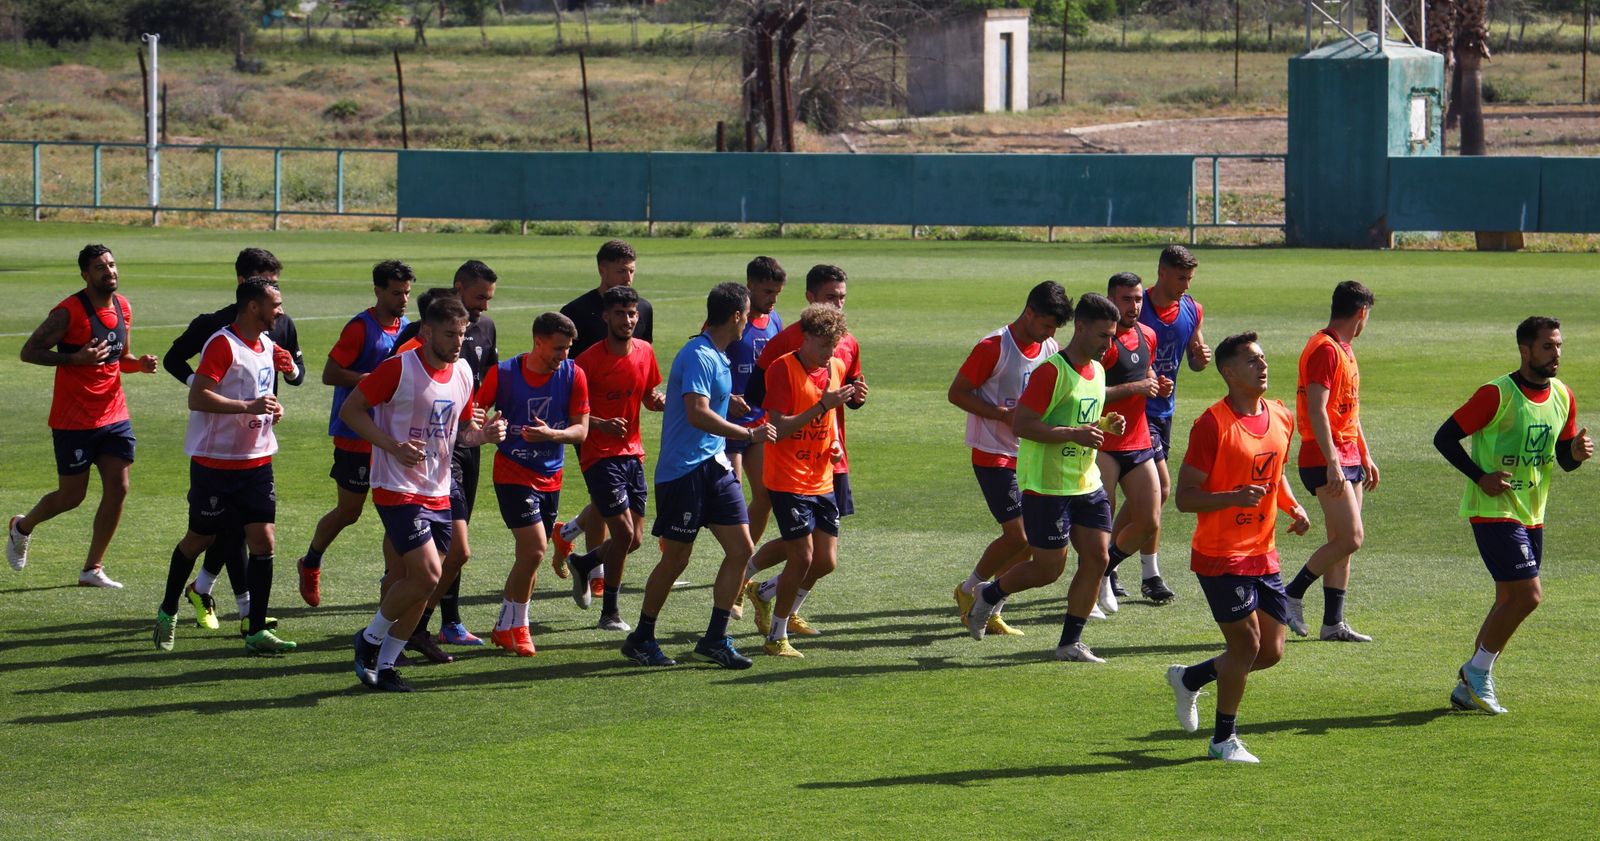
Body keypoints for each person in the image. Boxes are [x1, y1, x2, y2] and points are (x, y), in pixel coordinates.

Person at [1165, 332, 1312, 764]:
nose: (1263, 365)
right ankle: (1223, 740)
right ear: (1229, 373)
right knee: (1246, 646)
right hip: (1219, 554)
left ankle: (1190, 678)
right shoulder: (1211, 424)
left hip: (1262, 552)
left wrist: (1293, 506)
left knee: (1269, 652)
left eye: (1263, 357)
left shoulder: (1281, 416)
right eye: (1251, 361)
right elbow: (1185, 497)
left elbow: (1276, 473)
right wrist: (1231, 497)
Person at [346, 296, 505, 692]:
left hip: (438, 488)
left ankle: (384, 666)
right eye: (450, 334)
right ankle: (368, 639)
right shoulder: (399, 368)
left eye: (462, 334)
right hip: (396, 487)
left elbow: (463, 431)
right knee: (428, 572)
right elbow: (351, 410)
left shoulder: (465, 372)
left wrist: (483, 436)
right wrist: (391, 445)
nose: (457, 342)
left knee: (426, 583)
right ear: (427, 332)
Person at [1433, 316, 1591, 715]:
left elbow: (1561, 457)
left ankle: (1468, 688)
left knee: (1508, 598)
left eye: (1558, 346)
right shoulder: (1496, 394)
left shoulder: (1563, 396)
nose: (1556, 354)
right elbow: (1444, 437)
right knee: (1528, 595)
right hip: (1493, 509)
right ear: (1525, 350)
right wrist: (1479, 476)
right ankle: (1478, 671)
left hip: (1533, 513)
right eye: (1547, 347)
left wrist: (1574, 456)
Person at [619, 283, 776, 670]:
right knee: (676, 560)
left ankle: (715, 639)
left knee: (741, 549)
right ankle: (642, 636)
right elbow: (696, 413)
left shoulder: (717, 356)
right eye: (747, 314)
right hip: (684, 471)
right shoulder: (699, 354)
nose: (750, 321)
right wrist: (747, 434)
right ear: (737, 316)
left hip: (715, 466)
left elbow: (710, 406)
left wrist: (731, 405)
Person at [965, 294, 1125, 663]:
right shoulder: (1051, 371)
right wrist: (1074, 434)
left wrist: (1106, 425)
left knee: (1098, 559)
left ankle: (1070, 642)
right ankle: (988, 595)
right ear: (1080, 328)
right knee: (1048, 569)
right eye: (1103, 336)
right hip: (1047, 486)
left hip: (1087, 482)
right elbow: (1023, 424)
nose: (1108, 344)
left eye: (1113, 336)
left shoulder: (1098, 372)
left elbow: (1084, 422)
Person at [153, 278, 297, 655]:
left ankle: (255, 629)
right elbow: (198, 397)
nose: (280, 310)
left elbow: (261, 395)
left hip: (257, 460)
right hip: (215, 463)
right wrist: (247, 408)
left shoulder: (267, 344)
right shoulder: (221, 344)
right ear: (253, 306)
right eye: (275, 303)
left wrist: (272, 409)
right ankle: (168, 610)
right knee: (199, 538)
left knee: (264, 540)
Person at [9, 244, 158, 588]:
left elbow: (119, 358)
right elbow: (28, 352)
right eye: (100, 267)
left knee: (119, 488)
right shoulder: (68, 312)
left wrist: (139, 365)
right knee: (71, 497)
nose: (110, 271)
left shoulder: (123, 307)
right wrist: (76, 359)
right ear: (85, 275)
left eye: (112, 264)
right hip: (73, 420)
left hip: (114, 414)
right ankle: (22, 527)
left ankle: (92, 568)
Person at [738, 265, 867, 636]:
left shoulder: (844, 348)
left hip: (827, 460)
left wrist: (854, 401)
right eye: (831, 297)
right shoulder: (785, 350)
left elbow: (847, 389)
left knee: (823, 559)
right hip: (789, 465)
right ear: (810, 298)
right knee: (802, 550)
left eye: (842, 297)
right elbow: (760, 397)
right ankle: (766, 606)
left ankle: (767, 593)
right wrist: (815, 407)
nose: (838, 304)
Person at [948, 281, 1070, 637]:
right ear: (1029, 312)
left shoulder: (1049, 346)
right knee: (1018, 536)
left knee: (1031, 542)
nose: (1050, 333)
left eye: (1055, 328)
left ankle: (992, 606)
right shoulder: (993, 348)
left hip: (1029, 455)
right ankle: (969, 590)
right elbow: (957, 393)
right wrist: (999, 413)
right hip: (993, 453)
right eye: (1047, 324)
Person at [390, 261, 499, 650]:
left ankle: (423, 626)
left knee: (446, 552)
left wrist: (481, 427)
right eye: (478, 297)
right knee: (424, 560)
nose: (484, 306)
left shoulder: (483, 329)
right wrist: (393, 445)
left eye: (489, 298)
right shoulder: (411, 344)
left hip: (459, 449)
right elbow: (379, 400)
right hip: (414, 467)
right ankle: (390, 634)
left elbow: (481, 383)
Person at [296, 260, 413, 606]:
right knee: (350, 511)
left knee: (396, 511)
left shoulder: (406, 328)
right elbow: (330, 373)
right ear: (378, 291)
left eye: (407, 292)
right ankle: (311, 561)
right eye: (396, 292)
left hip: (391, 438)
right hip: (355, 435)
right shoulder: (360, 328)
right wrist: (370, 382)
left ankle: (393, 579)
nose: (404, 299)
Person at [474, 312, 589, 656]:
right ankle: (520, 628)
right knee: (537, 548)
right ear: (537, 341)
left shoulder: (573, 374)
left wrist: (551, 434)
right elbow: (474, 412)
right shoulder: (504, 374)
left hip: (551, 474)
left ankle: (504, 627)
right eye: (557, 348)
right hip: (513, 471)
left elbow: (581, 429)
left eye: (567, 349)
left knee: (529, 557)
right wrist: (485, 428)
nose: (563, 356)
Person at [552, 239, 655, 592]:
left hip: (627, 434)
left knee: (609, 498)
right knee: (605, 495)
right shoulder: (576, 312)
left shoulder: (643, 309)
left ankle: (569, 535)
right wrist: (590, 421)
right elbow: (565, 377)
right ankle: (596, 574)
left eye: (631, 270)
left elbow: (643, 364)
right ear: (602, 270)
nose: (626, 276)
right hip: (589, 425)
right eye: (620, 271)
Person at [564, 286, 665, 631]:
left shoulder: (646, 352)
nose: (628, 320)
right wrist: (601, 424)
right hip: (599, 455)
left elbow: (648, 395)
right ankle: (610, 612)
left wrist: (657, 401)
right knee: (622, 534)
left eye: (633, 313)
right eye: (620, 313)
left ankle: (585, 562)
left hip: (633, 453)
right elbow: (570, 412)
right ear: (606, 316)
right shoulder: (586, 362)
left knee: (634, 539)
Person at [1284, 281, 1378, 642]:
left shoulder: (1345, 349)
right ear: (1361, 313)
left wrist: (1365, 453)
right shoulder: (1324, 349)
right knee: (1352, 538)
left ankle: (1333, 624)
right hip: (1324, 456)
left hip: (1348, 452)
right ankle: (1292, 593)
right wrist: (1333, 462)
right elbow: (1317, 411)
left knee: (1343, 542)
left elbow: (1348, 410)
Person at [1125, 245, 1212, 604]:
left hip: (1163, 412)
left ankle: (1109, 562)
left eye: (1190, 278)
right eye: (1180, 278)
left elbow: (1194, 359)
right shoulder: (1135, 307)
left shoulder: (1192, 309)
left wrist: (1200, 357)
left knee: (1144, 495)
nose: (1185, 286)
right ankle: (1148, 573)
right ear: (1161, 272)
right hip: (1135, 411)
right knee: (1159, 490)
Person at [1096, 272, 1172, 614]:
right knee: (1103, 517)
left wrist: (1158, 383)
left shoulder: (1148, 335)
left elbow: (1146, 373)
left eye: (1139, 299)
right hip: (1105, 439)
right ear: (1111, 300)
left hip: (1138, 437)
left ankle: (1106, 568)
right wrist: (1137, 389)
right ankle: (1096, 581)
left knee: (1149, 520)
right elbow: (1091, 392)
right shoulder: (1102, 344)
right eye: (1126, 299)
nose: (1134, 306)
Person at [726, 256, 787, 549]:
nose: (773, 299)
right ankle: (673, 534)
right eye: (767, 292)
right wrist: (725, 397)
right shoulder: (728, 317)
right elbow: (704, 364)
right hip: (726, 425)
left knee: (765, 497)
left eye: (777, 292)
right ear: (750, 285)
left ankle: (742, 562)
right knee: (729, 501)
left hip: (760, 424)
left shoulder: (775, 320)